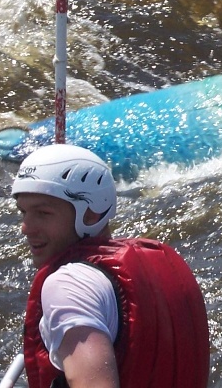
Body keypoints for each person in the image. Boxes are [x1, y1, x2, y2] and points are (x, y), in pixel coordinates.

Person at [12, 143, 210, 388]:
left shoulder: (69, 285)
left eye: (43, 213)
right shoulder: (161, 263)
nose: (26, 227)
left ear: (91, 214)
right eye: (23, 212)